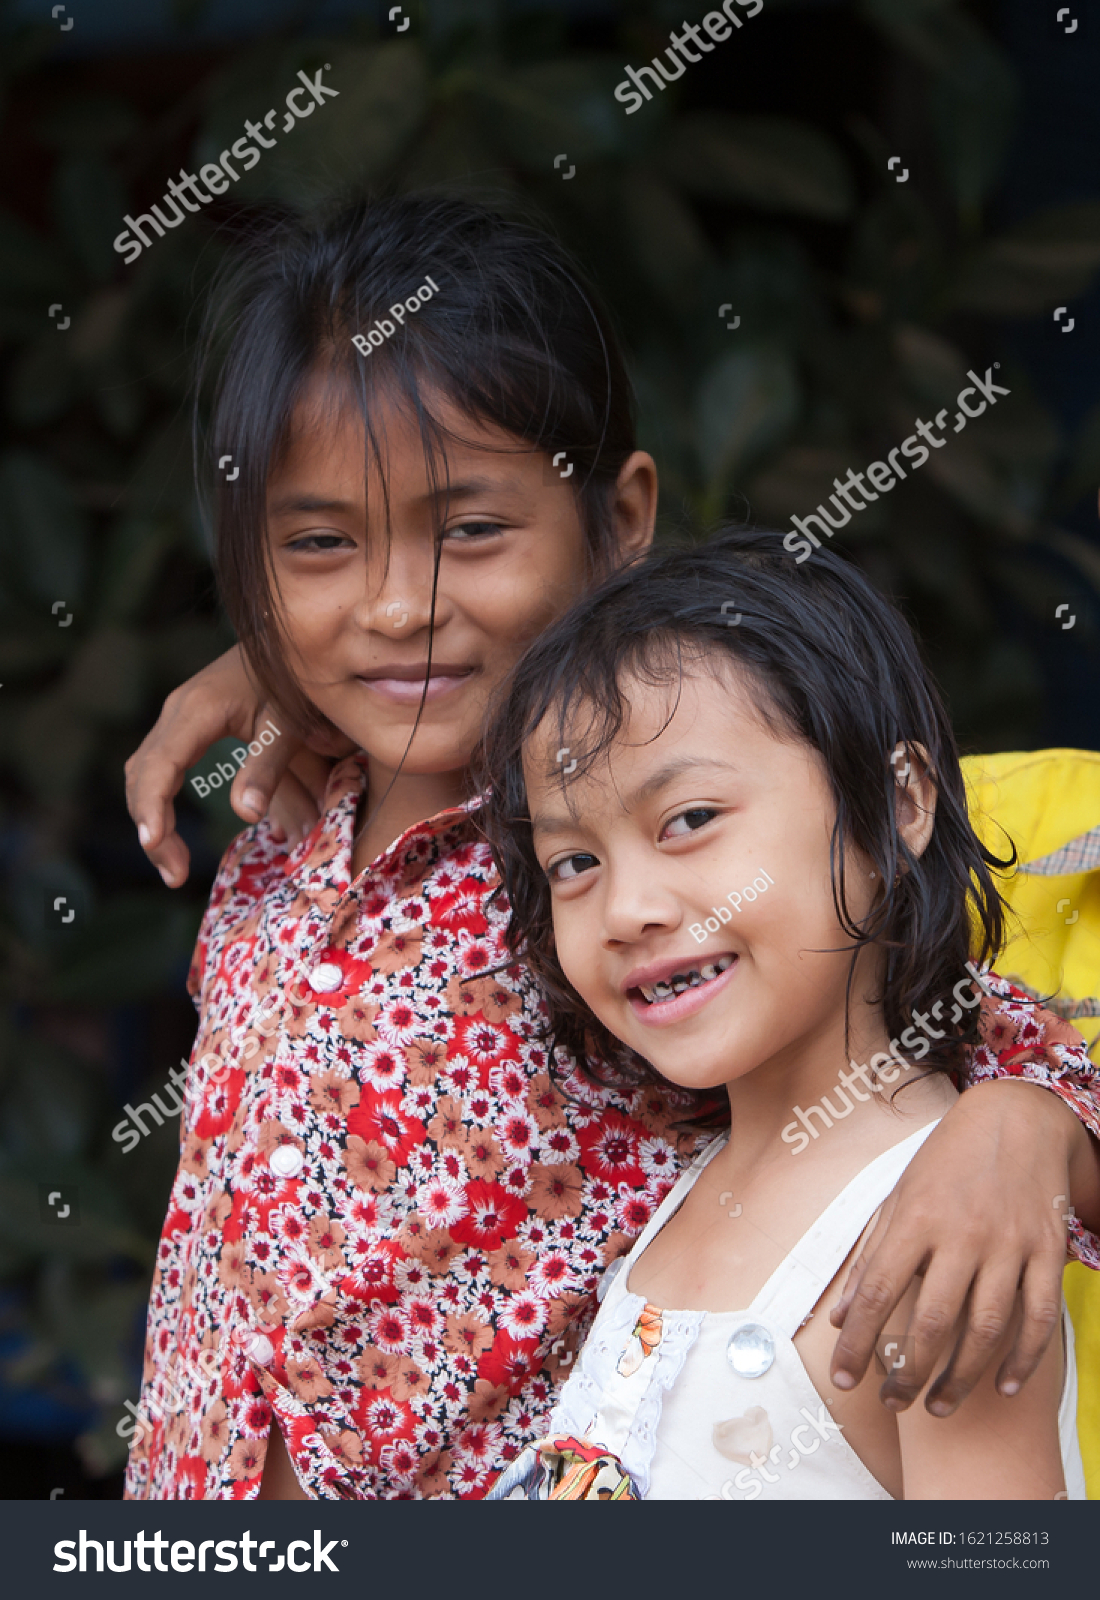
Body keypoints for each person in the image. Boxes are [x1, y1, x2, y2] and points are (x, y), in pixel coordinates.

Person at [122, 195, 1100, 1501]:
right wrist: (274, 655)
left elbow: (981, 1036)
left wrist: (1019, 1129)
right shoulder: (278, 836)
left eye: (472, 530)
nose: (400, 606)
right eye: (319, 544)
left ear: (620, 517)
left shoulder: (623, 873)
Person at [478, 527, 1093, 1499]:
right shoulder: (661, 1187)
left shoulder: (947, 1227)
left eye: (687, 819)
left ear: (898, 805)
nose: (627, 904)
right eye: (573, 862)